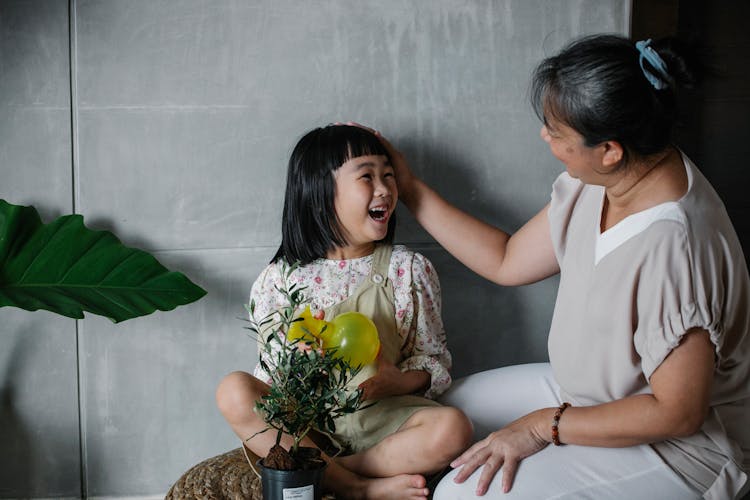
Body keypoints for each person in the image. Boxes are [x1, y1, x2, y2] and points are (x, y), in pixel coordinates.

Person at [366, 34, 750, 499]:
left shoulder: (676, 245)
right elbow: (507, 260)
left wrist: (541, 427)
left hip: (678, 450)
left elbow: (677, 413)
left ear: (609, 148)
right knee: (428, 414)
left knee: (461, 493)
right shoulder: (606, 179)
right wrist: (406, 186)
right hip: (584, 395)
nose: (544, 136)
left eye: (556, 132)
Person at [215, 124, 473, 499]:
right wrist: (294, 362)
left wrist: (393, 382)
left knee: (454, 429)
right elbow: (268, 377)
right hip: (308, 429)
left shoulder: (409, 270)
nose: (385, 188)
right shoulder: (280, 279)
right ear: (319, 196)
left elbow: (434, 362)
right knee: (232, 390)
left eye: (388, 174)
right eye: (367, 176)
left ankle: (326, 471)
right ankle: (355, 488)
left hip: (386, 423)